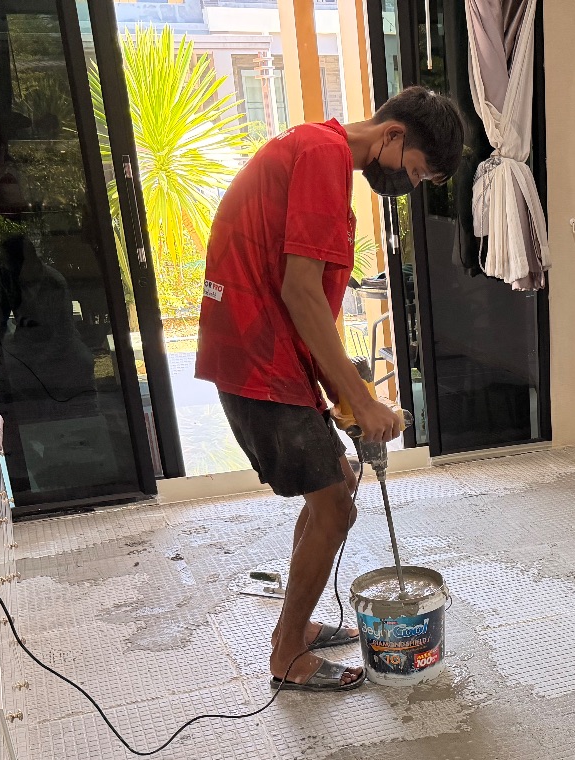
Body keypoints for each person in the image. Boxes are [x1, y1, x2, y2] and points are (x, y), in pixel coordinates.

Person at [195, 87, 463, 691]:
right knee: (335, 506)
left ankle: (297, 628)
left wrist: (345, 391)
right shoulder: (324, 156)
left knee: (335, 492)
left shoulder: (319, 152)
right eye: (415, 172)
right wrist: (361, 401)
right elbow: (299, 292)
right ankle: (287, 654)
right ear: (393, 135)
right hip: (259, 360)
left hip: (271, 354)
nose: (409, 186)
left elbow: (306, 298)